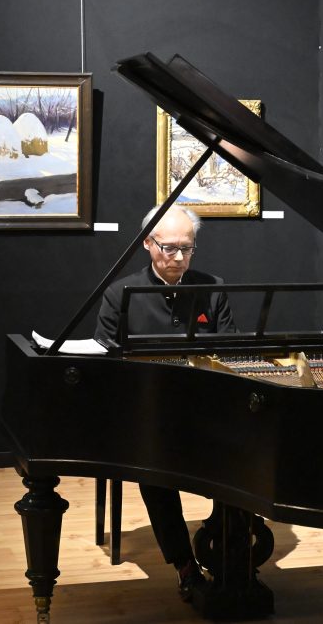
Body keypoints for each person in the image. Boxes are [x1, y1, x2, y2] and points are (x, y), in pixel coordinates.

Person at [94, 204, 236, 602]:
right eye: (168, 248)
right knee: (154, 468)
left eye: (186, 248)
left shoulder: (212, 288)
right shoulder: (119, 294)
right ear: (147, 244)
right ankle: (185, 565)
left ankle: (227, 545)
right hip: (146, 415)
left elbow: (232, 352)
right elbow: (104, 365)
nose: (178, 258)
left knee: (245, 454)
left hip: (204, 411)